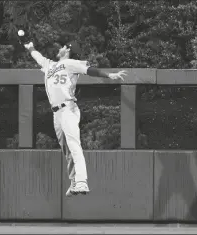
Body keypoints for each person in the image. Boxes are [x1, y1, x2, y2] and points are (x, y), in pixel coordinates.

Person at [24, 41, 127, 197]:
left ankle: (82, 182)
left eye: (64, 47)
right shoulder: (49, 65)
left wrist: (109, 75)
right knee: (66, 149)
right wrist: (30, 47)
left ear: (68, 51)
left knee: (74, 145)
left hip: (68, 109)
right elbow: (38, 57)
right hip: (56, 114)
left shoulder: (70, 63)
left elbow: (89, 70)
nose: (60, 48)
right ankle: (74, 182)